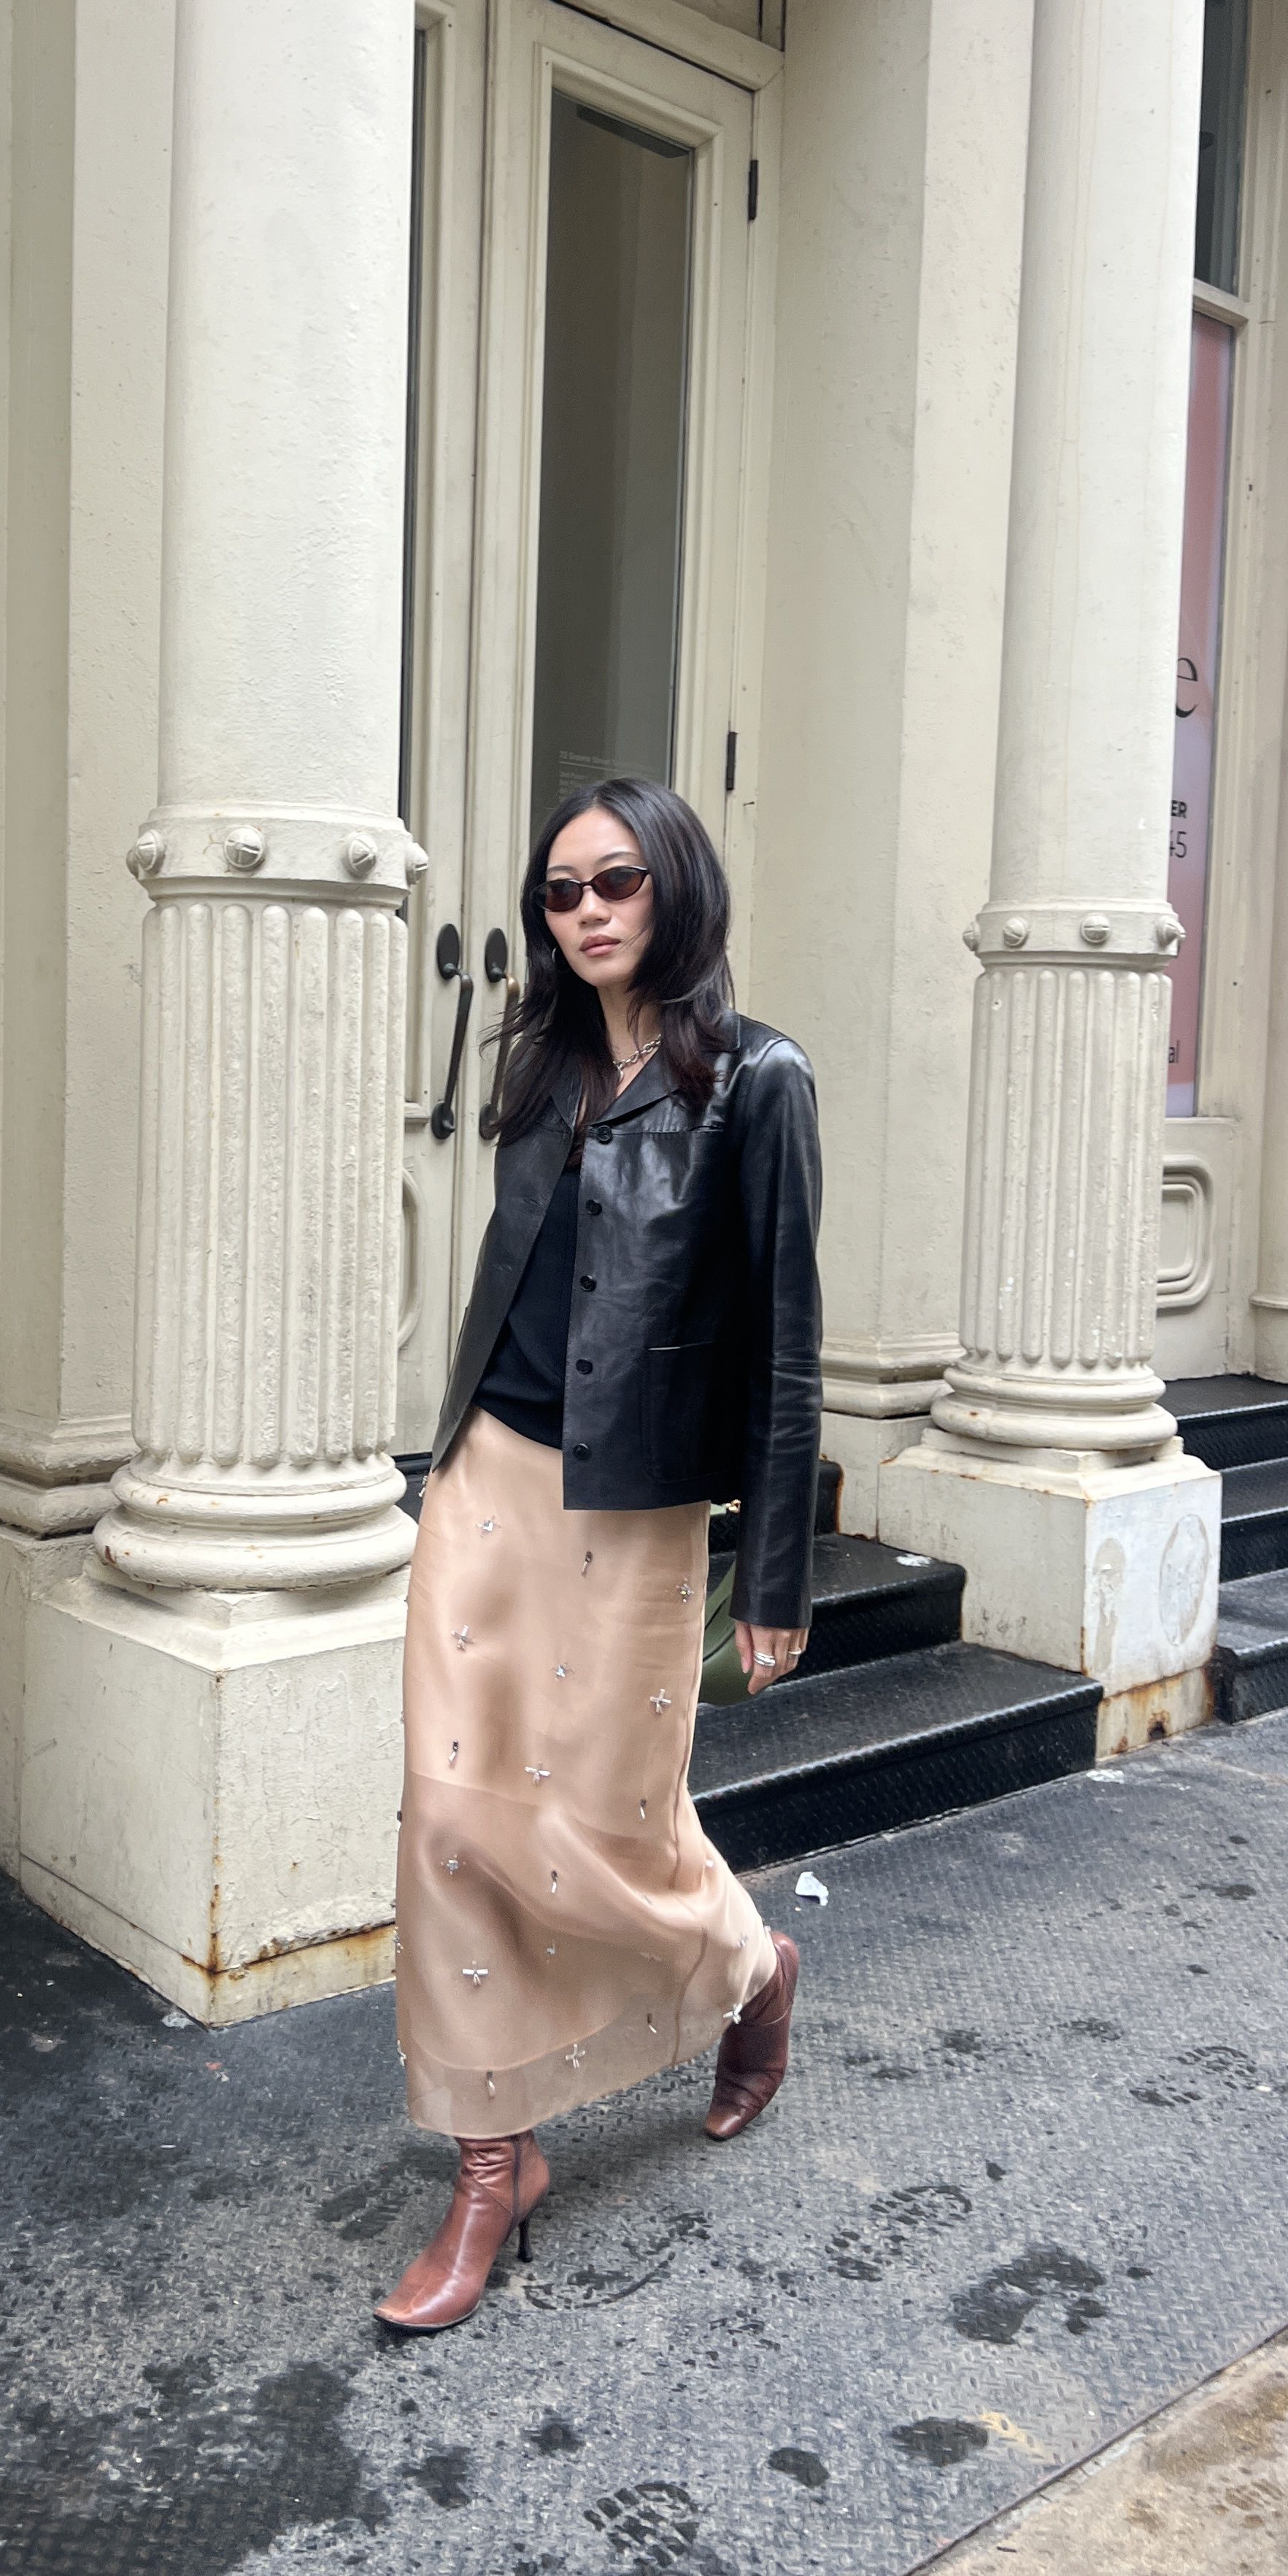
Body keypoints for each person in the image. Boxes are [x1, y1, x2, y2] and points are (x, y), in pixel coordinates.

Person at [376, 775, 823, 2334]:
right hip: (489, 1479)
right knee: (449, 1810)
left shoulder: (758, 1081)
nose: (584, 914)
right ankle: (491, 2161)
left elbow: (784, 1349)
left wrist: (773, 1573)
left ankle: (748, 1970)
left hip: (635, 1511)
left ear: (674, 890)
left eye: (614, 883)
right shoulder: (545, 1060)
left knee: (602, 1830)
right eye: (560, 892)